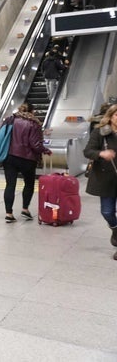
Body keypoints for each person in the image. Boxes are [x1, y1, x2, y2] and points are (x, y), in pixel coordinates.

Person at [2, 103, 52, 223]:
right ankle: (25, 209)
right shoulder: (33, 123)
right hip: (27, 158)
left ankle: (9, 214)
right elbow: (35, 144)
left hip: (9, 156)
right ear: (32, 111)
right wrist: (45, 150)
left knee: (10, 185)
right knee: (29, 184)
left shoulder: (10, 120)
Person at [83, 104, 117, 260]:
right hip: (106, 179)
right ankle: (115, 230)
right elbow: (88, 151)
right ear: (110, 117)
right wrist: (101, 154)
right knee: (107, 212)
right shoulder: (100, 132)